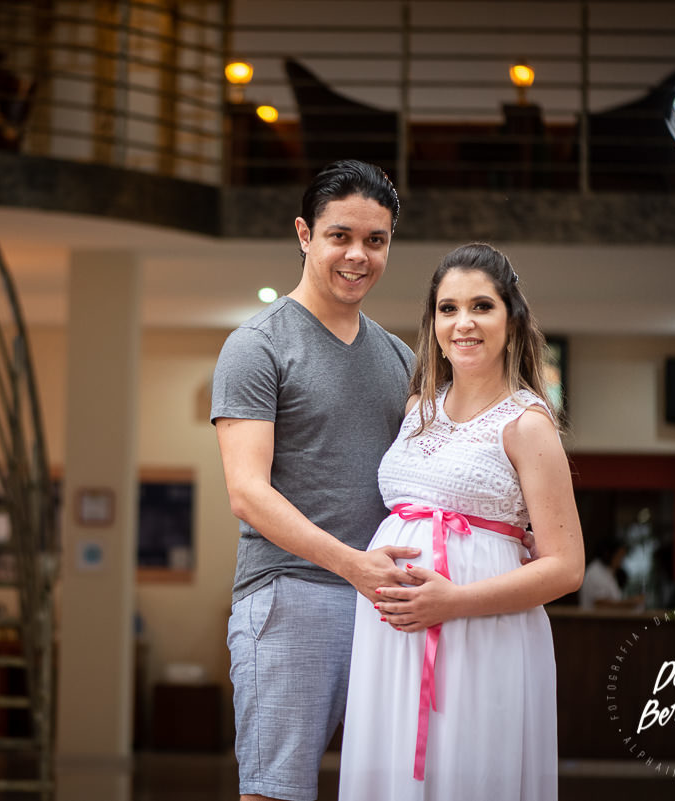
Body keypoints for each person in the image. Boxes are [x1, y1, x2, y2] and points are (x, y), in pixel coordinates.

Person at [340, 243, 585, 801]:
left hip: (480, 633)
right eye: (448, 309)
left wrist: (452, 602)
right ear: (433, 323)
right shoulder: (416, 411)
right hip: (393, 638)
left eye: (481, 306)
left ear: (511, 320)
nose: (463, 322)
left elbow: (567, 567)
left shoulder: (527, 424)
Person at [210, 159, 419, 801]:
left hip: (384, 604)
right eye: (340, 236)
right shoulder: (257, 347)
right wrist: (352, 565)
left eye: (375, 240)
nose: (358, 255)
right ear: (304, 234)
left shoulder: (400, 357)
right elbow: (247, 492)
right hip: (291, 596)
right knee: (276, 793)